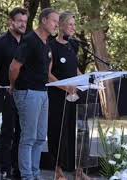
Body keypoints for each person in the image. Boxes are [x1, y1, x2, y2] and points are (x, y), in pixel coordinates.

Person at [9, 8, 59, 180]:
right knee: (28, 137)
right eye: (54, 21)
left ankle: (35, 173)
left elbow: (46, 72)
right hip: (28, 92)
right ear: (44, 20)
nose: (56, 26)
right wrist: (14, 86)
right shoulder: (30, 40)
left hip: (43, 92)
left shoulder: (47, 44)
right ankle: (27, 176)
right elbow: (14, 67)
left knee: (39, 137)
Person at [0, 7, 28, 180]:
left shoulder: (29, 42)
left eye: (25, 22)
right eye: (20, 21)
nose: (23, 25)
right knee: (8, 131)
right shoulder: (0, 43)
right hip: (7, 92)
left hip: (27, 93)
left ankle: (19, 169)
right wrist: (3, 89)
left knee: (23, 132)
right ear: (11, 22)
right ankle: (5, 169)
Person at [48, 11, 87, 180]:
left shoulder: (73, 45)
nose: (73, 27)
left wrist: (85, 81)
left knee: (77, 131)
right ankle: (58, 170)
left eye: (74, 24)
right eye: (70, 24)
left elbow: (75, 69)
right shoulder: (51, 46)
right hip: (58, 97)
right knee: (59, 132)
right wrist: (65, 87)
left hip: (75, 96)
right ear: (61, 25)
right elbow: (47, 73)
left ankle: (78, 170)